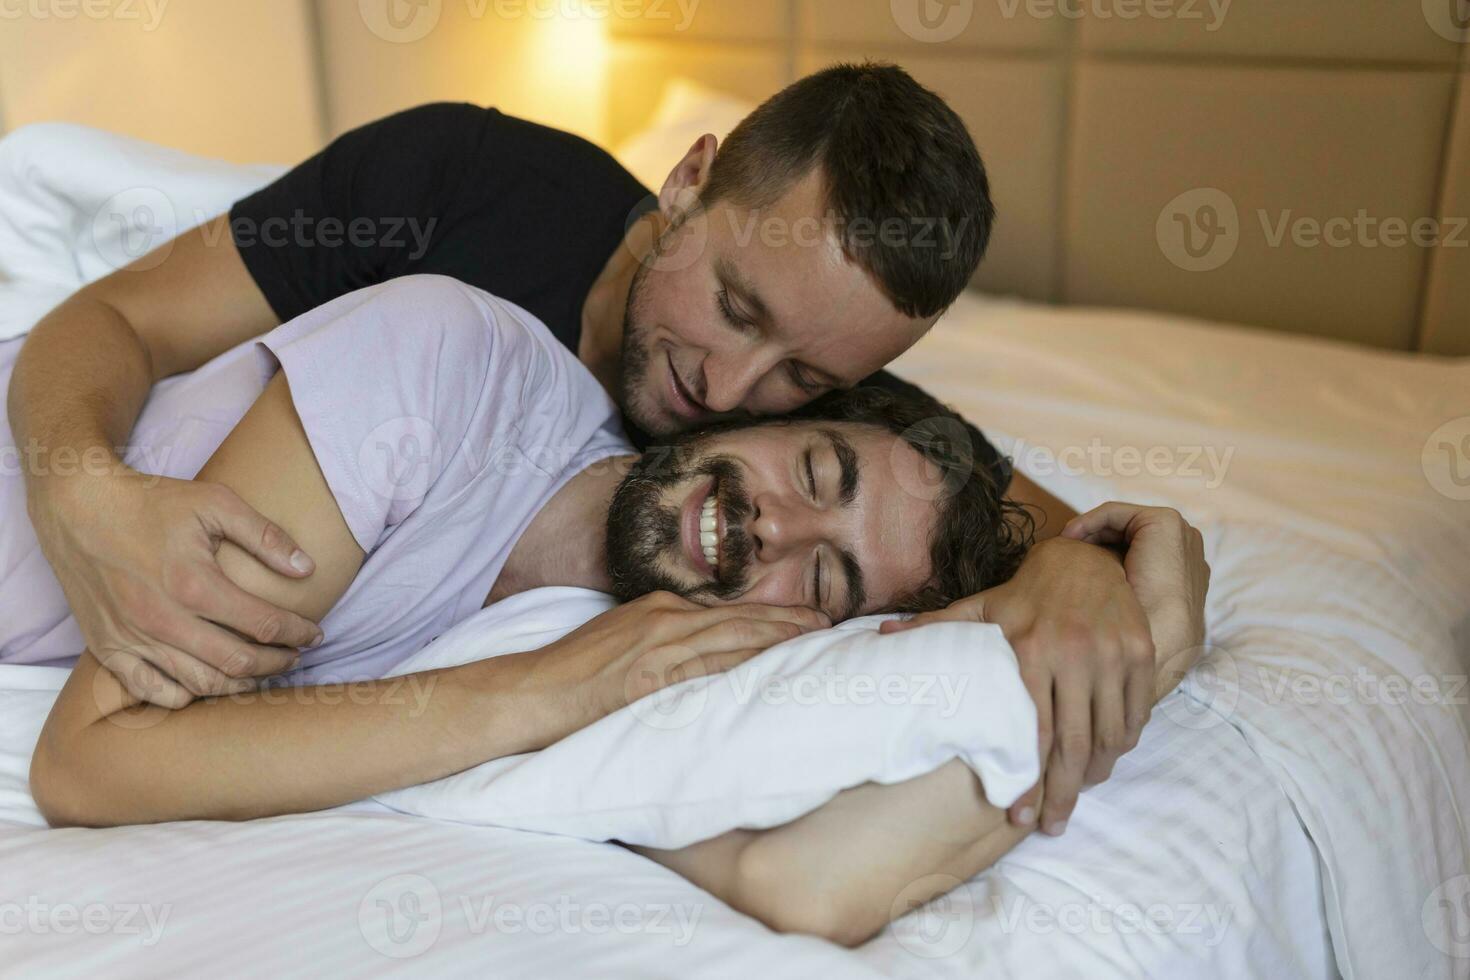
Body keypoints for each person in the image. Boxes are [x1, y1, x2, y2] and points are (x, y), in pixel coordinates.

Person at [7, 62, 1208, 838]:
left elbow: (994, 512)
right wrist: (86, 498)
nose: (731, 392)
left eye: (806, 380)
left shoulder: (794, 424)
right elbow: (110, 320)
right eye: (737, 307)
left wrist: (1082, 563)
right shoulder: (465, 202)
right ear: (687, 182)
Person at [19, 276, 1206, 947]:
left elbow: (810, 884)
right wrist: (548, 694)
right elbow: (89, 760)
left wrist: (1123, 650)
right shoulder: (453, 370)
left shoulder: (637, 642)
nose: (772, 528)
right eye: (817, 471)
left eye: (827, 579)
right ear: (763, 410)